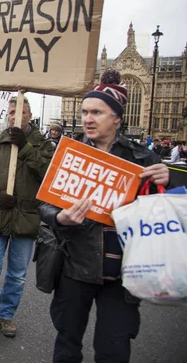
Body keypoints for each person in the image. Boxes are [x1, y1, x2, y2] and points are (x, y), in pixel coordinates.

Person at [38, 69, 171, 362]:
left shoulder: (144, 159)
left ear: (117, 118)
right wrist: (59, 219)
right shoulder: (70, 154)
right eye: (85, 111)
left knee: (113, 350)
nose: (87, 118)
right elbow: (44, 206)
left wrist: (168, 181)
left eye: (97, 112)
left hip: (123, 275)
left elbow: (165, 214)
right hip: (75, 267)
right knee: (67, 345)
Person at [0, 97, 54, 343]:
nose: (13, 116)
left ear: (29, 115)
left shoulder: (42, 144)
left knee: (17, 275)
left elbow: (49, 175)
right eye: (10, 112)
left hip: (26, 220)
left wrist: (26, 148)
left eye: (19, 112)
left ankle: (7, 315)